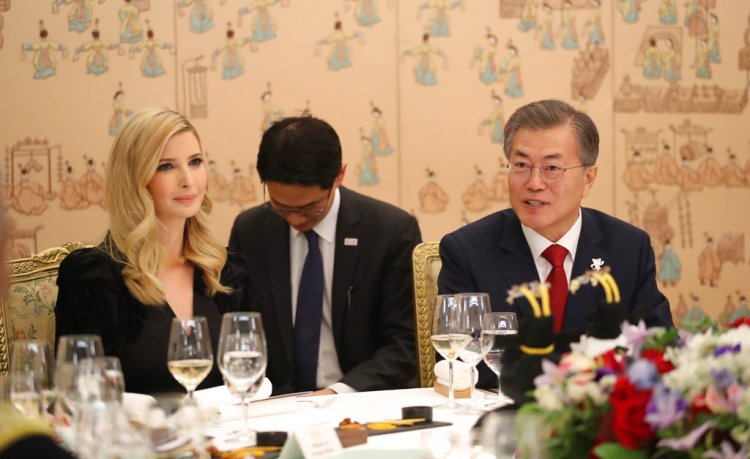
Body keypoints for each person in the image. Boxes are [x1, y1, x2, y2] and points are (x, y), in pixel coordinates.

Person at [438, 99, 673, 386]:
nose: (534, 182)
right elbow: (460, 364)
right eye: (521, 165)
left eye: (552, 167)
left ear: (588, 179)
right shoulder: (468, 251)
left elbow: (657, 348)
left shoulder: (627, 248)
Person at [55, 107, 251, 395]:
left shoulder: (227, 270)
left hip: (226, 438)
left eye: (195, 162)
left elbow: (253, 378)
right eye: (166, 166)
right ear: (136, 178)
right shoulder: (93, 277)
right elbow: (75, 395)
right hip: (132, 438)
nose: (188, 180)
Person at [229, 116, 422, 396]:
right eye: (281, 207)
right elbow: (240, 329)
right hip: (275, 403)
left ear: (339, 176)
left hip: (362, 399)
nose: (294, 219)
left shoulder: (389, 230)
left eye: (309, 208)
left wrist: (337, 393)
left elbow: (406, 342)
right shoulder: (251, 230)